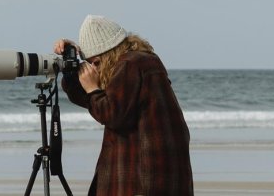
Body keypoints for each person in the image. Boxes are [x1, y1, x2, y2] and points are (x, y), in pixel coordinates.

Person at [54, 14, 193, 196]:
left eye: (95, 63)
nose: (94, 69)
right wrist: (72, 70)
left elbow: (112, 114)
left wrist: (92, 89)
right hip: (160, 173)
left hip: (144, 178)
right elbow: (96, 103)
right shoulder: (142, 60)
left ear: (107, 53)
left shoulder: (130, 64)